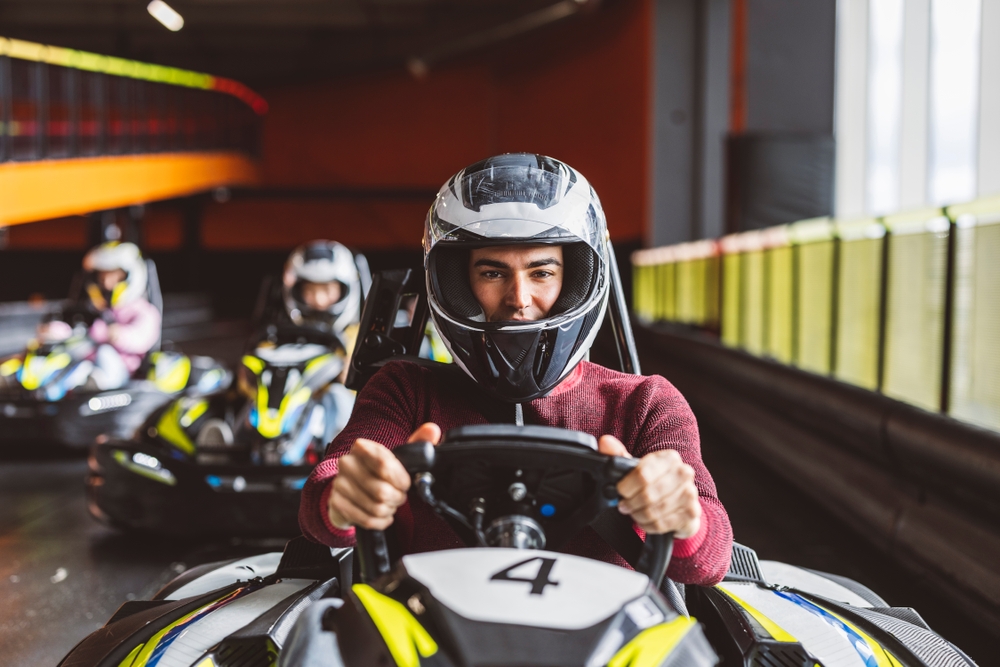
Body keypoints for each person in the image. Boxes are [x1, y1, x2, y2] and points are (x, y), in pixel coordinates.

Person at [299, 154, 733, 586]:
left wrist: (682, 518)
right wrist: (347, 497)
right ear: (456, 284)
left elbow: (710, 560)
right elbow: (326, 496)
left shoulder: (645, 403)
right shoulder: (407, 390)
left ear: (577, 280)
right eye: (492, 273)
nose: (519, 299)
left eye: (542, 272)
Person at [40, 241, 160, 390]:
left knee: (104, 352)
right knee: (63, 353)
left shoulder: (143, 311)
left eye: (113, 278)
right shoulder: (94, 309)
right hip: (89, 362)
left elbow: (143, 338)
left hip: (123, 375)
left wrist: (119, 334)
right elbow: (77, 330)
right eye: (102, 279)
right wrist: (54, 332)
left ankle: (92, 383)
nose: (107, 285)